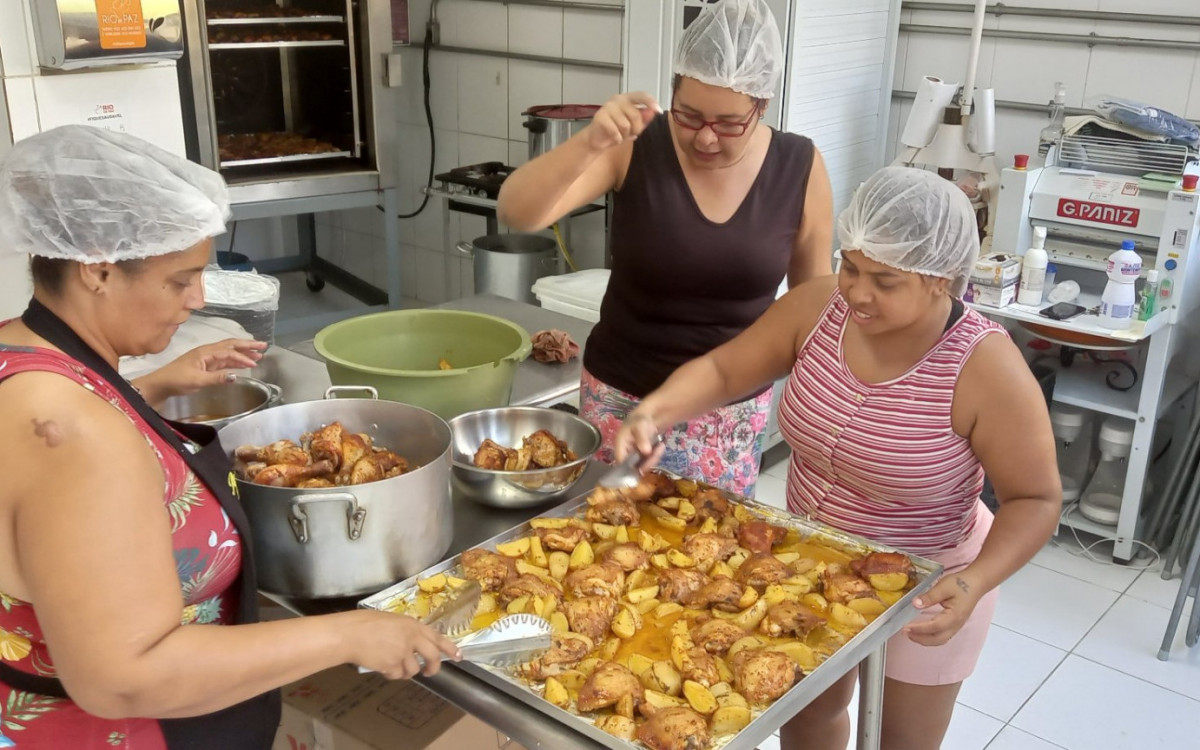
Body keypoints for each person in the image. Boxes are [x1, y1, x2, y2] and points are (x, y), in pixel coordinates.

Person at [0, 125, 459, 749]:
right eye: (179, 279)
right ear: (97, 270)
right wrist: (350, 635)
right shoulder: (76, 438)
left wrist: (154, 387)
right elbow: (123, 678)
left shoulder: (21, 350)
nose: (198, 298)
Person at [615, 166, 1062, 750]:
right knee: (808, 717)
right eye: (850, 266)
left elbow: (1036, 498)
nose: (856, 291)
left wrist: (975, 582)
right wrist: (658, 409)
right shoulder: (820, 308)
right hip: (807, 565)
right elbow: (727, 368)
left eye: (885, 280)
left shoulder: (984, 369)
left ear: (943, 281)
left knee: (901, 740)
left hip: (931, 580)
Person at [498, 0, 834, 496]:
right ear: (672, 88)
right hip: (621, 397)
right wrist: (590, 141)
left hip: (729, 417)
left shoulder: (798, 167)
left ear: (761, 105)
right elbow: (516, 212)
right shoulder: (637, 144)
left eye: (728, 123)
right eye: (689, 114)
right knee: (606, 551)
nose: (704, 137)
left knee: (712, 555)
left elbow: (814, 306)